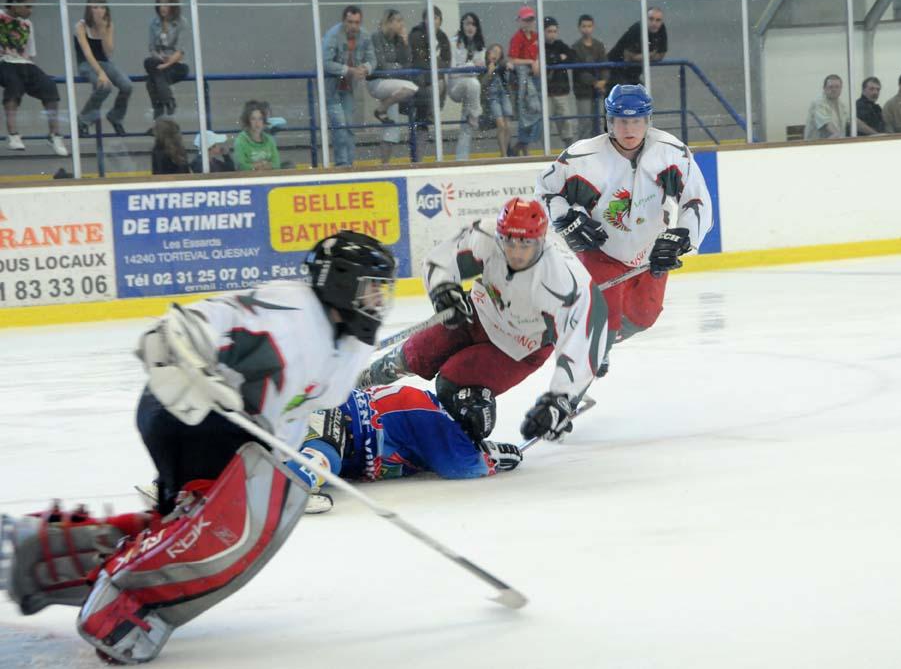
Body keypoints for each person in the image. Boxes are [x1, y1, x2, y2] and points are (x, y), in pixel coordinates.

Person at [1, 231, 398, 664]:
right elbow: (193, 323)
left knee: (178, 526)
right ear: (340, 281)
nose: (378, 301)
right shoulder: (293, 308)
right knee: (215, 530)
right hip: (192, 414)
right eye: (371, 289)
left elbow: (295, 411)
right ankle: (121, 604)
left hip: (230, 433)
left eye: (383, 292)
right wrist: (194, 359)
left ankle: (39, 554)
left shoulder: (345, 343)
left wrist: (278, 469)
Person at [362, 197, 609, 444]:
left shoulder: (563, 279)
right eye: (509, 241)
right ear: (500, 234)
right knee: (413, 355)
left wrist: (562, 398)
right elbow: (442, 259)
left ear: (541, 240)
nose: (516, 251)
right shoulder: (487, 235)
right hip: (475, 313)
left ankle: (463, 440)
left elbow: (584, 340)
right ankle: (358, 387)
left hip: (517, 348)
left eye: (526, 243)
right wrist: (443, 290)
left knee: (457, 391)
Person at [535, 84, 712, 377]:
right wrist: (565, 219)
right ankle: (577, 377)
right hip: (602, 251)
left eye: (637, 121)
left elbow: (696, 199)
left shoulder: (671, 152)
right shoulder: (581, 158)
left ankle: (602, 342)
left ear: (648, 121)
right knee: (602, 321)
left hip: (651, 252)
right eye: (621, 121)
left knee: (645, 317)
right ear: (609, 122)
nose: (629, 128)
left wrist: (683, 237)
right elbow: (546, 190)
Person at [290, 384, 523, 513]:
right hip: (335, 417)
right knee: (326, 453)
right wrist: (491, 456)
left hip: (328, 410)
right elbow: (459, 465)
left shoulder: (429, 410)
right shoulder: (433, 417)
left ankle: (281, 470)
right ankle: (290, 485)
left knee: (323, 453)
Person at [0, 0, 67, 155]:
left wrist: (32, 71)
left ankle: (54, 134)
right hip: (3, 61)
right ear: (14, 4)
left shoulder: (28, 24)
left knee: (49, 86)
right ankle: (13, 134)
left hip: (23, 62)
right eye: (27, 7)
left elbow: (30, 53)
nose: (30, 11)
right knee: (14, 84)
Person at [323, 5, 376, 167]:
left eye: (357, 22)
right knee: (340, 125)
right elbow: (325, 63)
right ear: (343, 21)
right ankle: (342, 164)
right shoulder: (333, 35)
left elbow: (373, 60)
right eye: (350, 22)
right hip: (331, 88)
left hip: (349, 89)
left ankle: (349, 164)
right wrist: (350, 70)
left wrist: (364, 69)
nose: (353, 26)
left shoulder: (365, 35)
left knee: (349, 127)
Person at [74, 0, 131, 137]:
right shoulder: (80, 26)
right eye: (95, 7)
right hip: (86, 63)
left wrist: (103, 30)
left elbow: (109, 52)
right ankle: (83, 120)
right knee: (104, 87)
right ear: (89, 10)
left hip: (105, 62)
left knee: (127, 85)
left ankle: (115, 116)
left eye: (102, 7)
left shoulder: (109, 24)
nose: (99, 11)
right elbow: (87, 53)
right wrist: (100, 73)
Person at [369, 9, 417, 164]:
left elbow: (408, 62)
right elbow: (381, 65)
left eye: (402, 20)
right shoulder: (377, 37)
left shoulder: (398, 40)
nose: (401, 24)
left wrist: (405, 43)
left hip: (392, 85)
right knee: (411, 88)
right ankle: (381, 108)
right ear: (388, 22)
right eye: (398, 21)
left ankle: (384, 165)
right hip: (376, 82)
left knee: (391, 129)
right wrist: (398, 67)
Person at [144, 0, 189, 124]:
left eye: (166, 4)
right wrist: (159, 57)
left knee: (151, 83)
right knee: (148, 62)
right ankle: (169, 101)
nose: (163, 8)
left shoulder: (182, 22)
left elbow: (181, 50)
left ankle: (158, 124)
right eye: (161, 4)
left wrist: (167, 63)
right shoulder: (154, 23)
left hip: (177, 64)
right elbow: (151, 47)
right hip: (159, 62)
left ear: (173, 6)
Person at [448, 12, 486, 161]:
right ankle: (476, 113)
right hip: (455, 86)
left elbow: (478, 70)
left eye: (473, 24)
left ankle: (461, 158)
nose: (470, 27)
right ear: (462, 26)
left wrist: (470, 68)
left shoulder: (480, 46)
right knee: (473, 83)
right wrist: (471, 66)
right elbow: (452, 71)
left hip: (470, 87)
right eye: (467, 23)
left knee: (467, 125)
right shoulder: (454, 42)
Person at [409, 6, 451, 138]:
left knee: (423, 125)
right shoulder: (416, 35)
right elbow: (418, 61)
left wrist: (435, 61)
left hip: (434, 80)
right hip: (419, 80)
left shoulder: (442, 37)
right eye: (429, 18)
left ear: (440, 20)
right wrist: (435, 61)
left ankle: (430, 114)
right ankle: (429, 114)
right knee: (419, 122)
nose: (432, 21)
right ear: (424, 20)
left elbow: (446, 61)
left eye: (435, 18)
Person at [508, 5, 542, 156]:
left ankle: (521, 145)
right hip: (523, 80)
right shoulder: (517, 38)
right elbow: (512, 59)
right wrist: (531, 62)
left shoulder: (536, 37)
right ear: (520, 21)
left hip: (535, 79)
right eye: (526, 20)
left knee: (535, 112)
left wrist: (537, 62)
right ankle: (523, 147)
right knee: (526, 112)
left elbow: (539, 55)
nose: (529, 22)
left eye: (531, 19)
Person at [606, 8, 667, 87]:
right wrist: (652, 54)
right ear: (645, 19)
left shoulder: (661, 29)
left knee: (642, 95)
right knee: (625, 94)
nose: (654, 23)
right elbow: (628, 57)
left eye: (658, 20)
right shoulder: (636, 29)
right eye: (651, 19)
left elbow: (661, 54)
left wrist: (640, 57)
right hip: (614, 69)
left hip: (632, 73)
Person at [543, 16, 578, 148]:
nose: (552, 34)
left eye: (554, 31)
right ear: (543, 32)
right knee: (546, 121)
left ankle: (568, 147)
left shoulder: (560, 44)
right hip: (546, 91)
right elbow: (546, 59)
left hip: (561, 90)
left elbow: (572, 57)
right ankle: (545, 148)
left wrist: (556, 58)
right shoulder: (539, 46)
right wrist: (559, 58)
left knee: (566, 119)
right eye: (549, 31)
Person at [572, 14, 608, 140]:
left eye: (589, 26)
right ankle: (583, 150)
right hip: (583, 91)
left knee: (598, 121)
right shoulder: (576, 48)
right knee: (585, 122)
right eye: (584, 26)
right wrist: (595, 82)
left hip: (598, 90)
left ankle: (597, 149)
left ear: (593, 27)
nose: (586, 29)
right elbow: (579, 71)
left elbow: (604, 64)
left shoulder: (599, 45)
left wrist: (603, 81)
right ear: (579, 28)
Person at [480, 43, 514, 157]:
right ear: (488, 53)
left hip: (504, 95)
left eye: (498, 53)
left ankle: (506, 151)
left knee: (508, 126)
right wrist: (489, 73)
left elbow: (507, 65)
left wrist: (508, 65)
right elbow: (483, 84)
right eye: (493, 52)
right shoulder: (483, 66)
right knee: (501, 125)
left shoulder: (502, 65)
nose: (495, 54)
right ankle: (503, 154)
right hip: (493, 97)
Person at [234, 99, 280, 171]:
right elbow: (241, 166)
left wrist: (260, 166)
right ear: (248, 121)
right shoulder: (240, 141)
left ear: (264, 121)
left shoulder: (270, 140)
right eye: (253, 119)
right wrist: (261, 165)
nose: (257, 122)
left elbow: (277, 164)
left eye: (260, 119)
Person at [803, 74, 848, 140]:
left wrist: (869, 133)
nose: (834, 89)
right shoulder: (818, 103)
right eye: (830, 87)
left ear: (841, 88)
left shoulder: (841, 104)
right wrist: (839, 136)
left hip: (834, 144)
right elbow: (827, 124)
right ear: (824, 88)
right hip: (815, 146)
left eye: (837, 87)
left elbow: (853, 120)